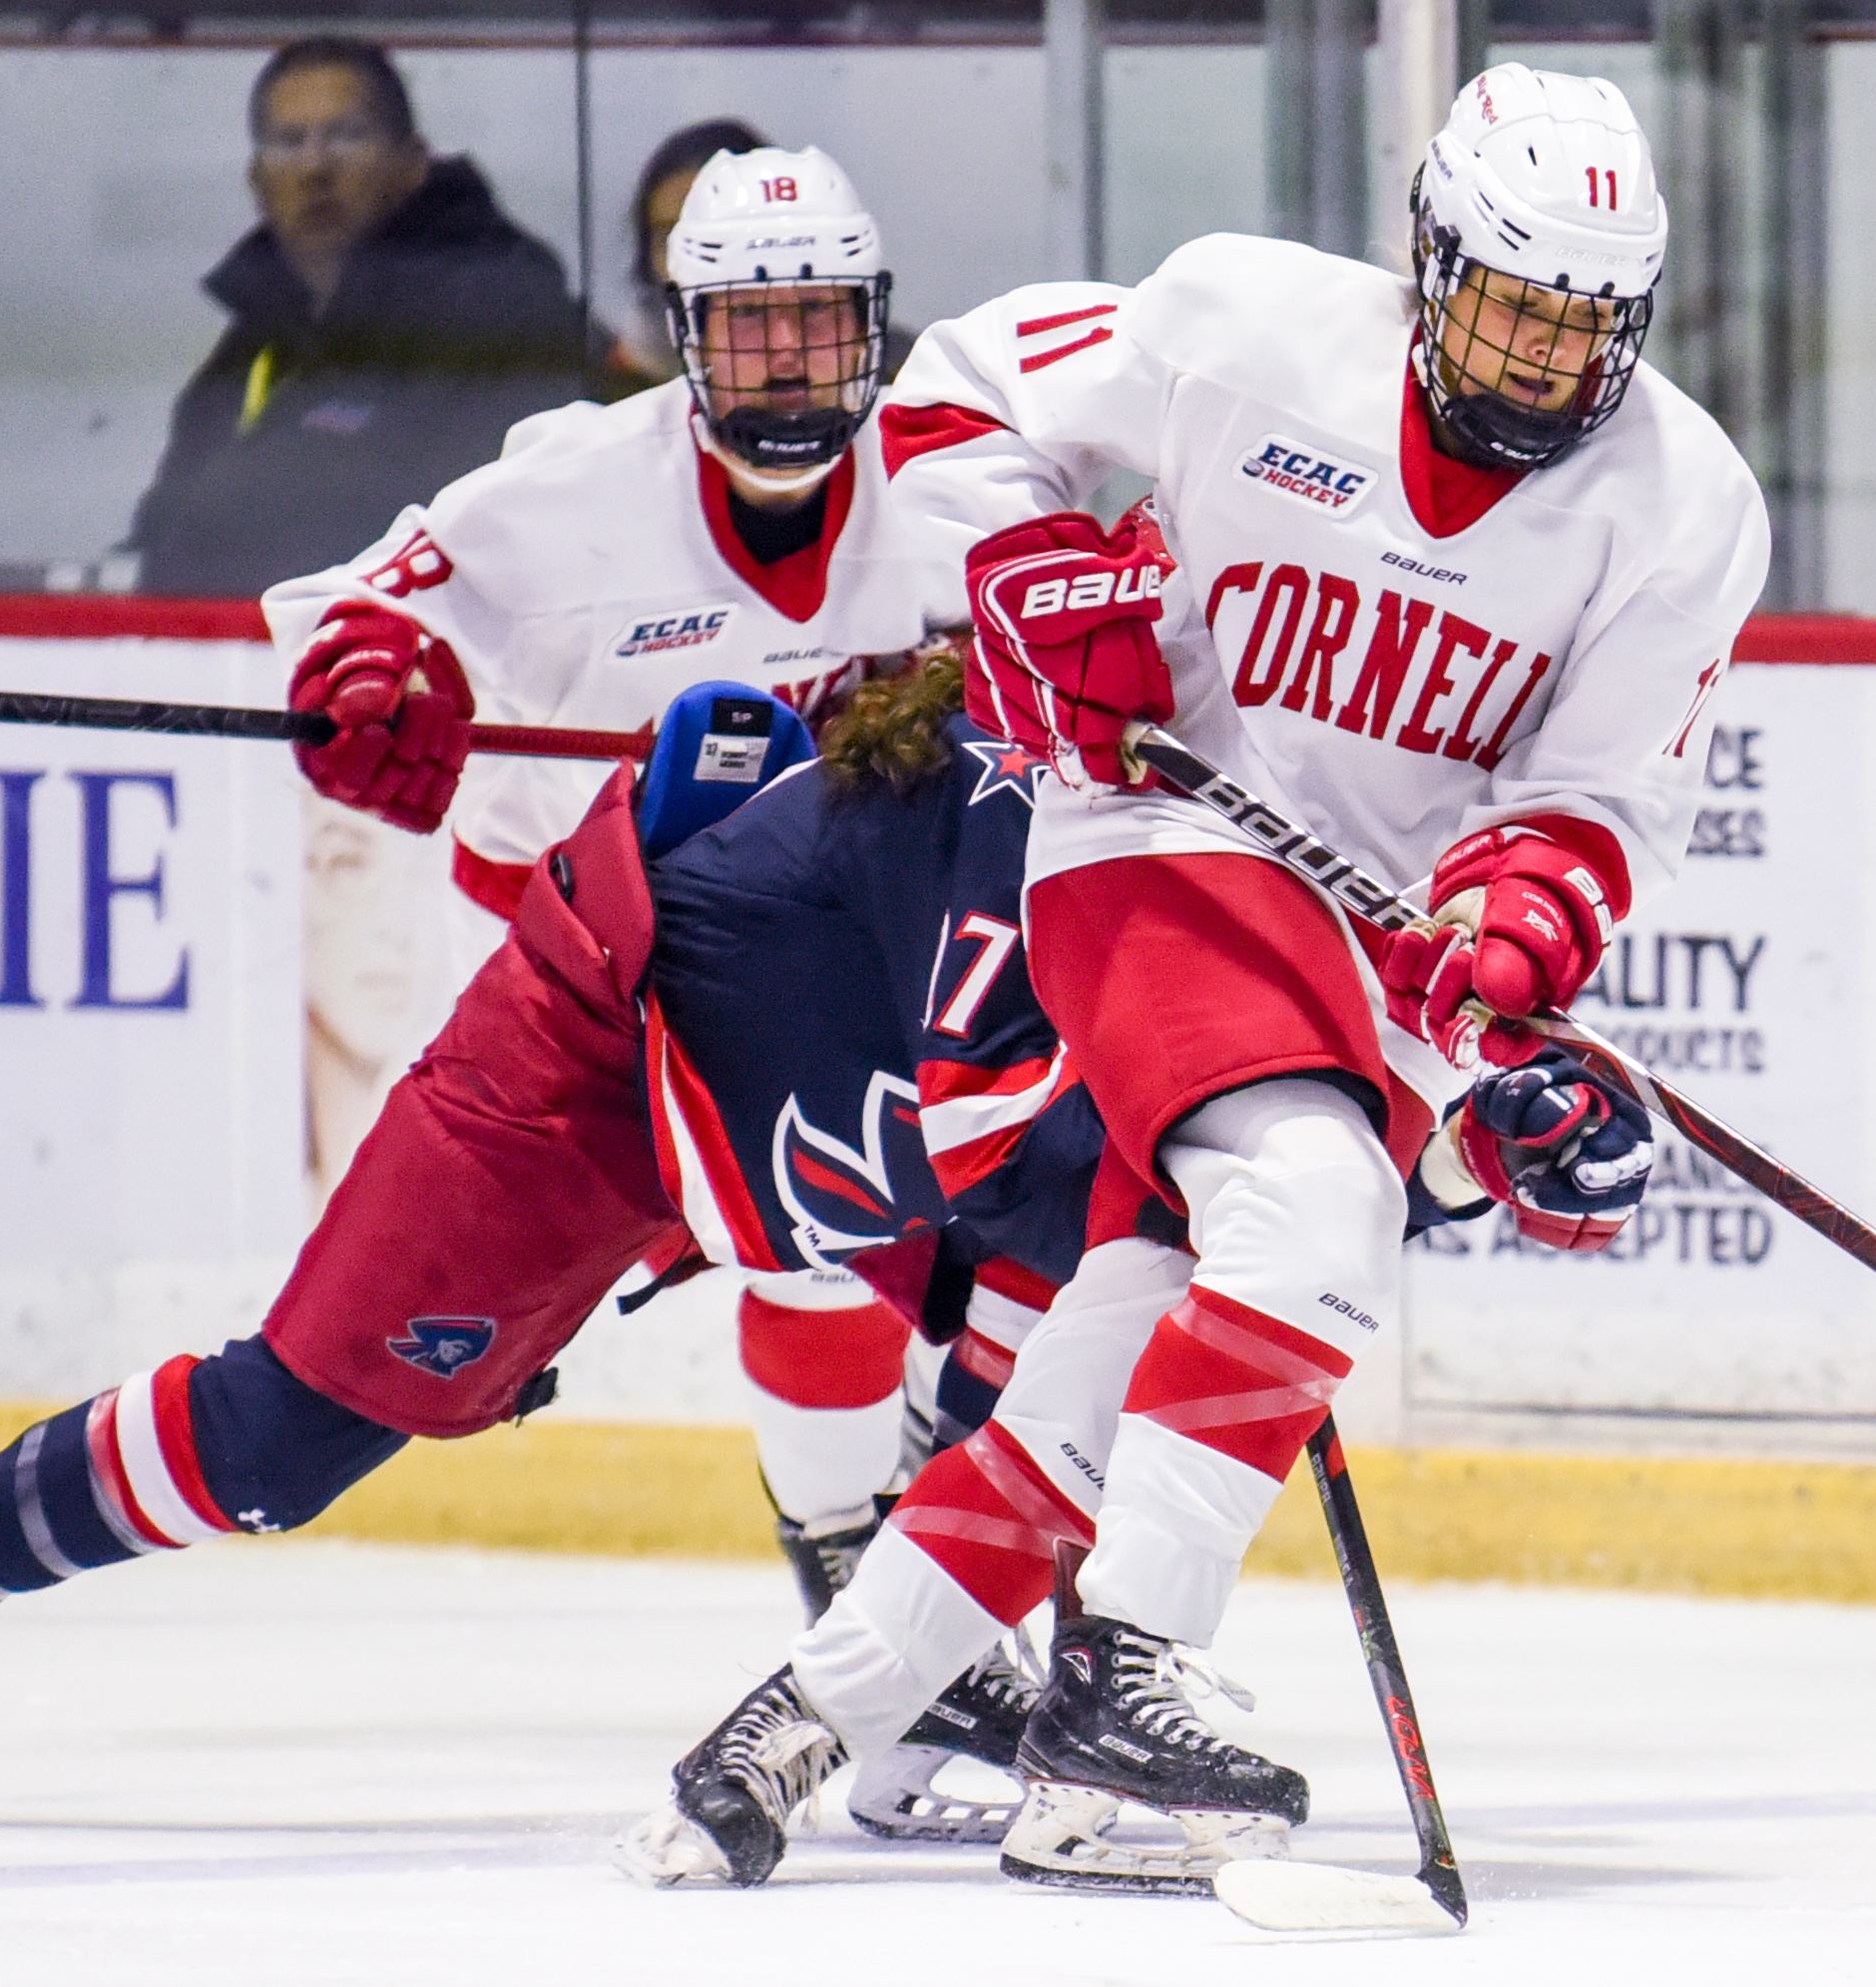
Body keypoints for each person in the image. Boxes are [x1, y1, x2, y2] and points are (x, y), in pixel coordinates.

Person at [623, 63, 1761, 1895]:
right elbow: (956, 399)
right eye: (1508, 301)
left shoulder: (1682, 506)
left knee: (1106, 1358)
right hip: (1148, 838)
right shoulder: (1247, 317)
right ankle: (1124, 1666)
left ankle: (781, 1734)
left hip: (1373, 945)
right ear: (1429, 256)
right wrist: (1032, 571)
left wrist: (1516, 933)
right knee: (1313, 1202)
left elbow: (1592, 794)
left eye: (1581, 319)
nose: (1542, 354)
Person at [0, 669, 1098, 1839]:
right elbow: (1000, 1132)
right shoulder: (1024, 788)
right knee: (279, 1440)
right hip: (600, 1063)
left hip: (801, 1093)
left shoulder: (1158, 809)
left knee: (1080, 1289)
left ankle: (930, 1678)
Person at [258, 144, 1011, 1615]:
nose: (787, 364)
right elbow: (342, 613)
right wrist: (376, 675)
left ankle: (872, 1581)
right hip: (581, 978)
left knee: (927, 1237)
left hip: (834, 958)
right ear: (683, 335)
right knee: (350, 1390)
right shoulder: (574, 487)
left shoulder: (958, 487)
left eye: (818, 321)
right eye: (747, 324)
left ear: (874, 325)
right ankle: (867, 1565)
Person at [129, 38, 593, 599]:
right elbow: (163, 544)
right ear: (256, 180)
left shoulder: (496, 312)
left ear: (412, 162)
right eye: (286, 142)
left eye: (347, 135)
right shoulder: (251, 344)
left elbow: (492, 545)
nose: (314, 166)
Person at [596, 117, 771, 397]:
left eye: (710, 238)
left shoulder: (823, 360)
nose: (687, 259)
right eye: (668, 238)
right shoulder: (630, 371)